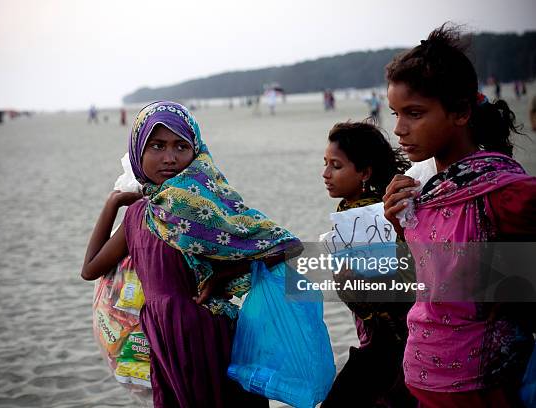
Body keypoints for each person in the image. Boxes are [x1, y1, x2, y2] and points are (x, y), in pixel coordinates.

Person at [81, 101, 301, 407]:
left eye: (181, 146)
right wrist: (112, 204)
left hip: (206, 334)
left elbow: (286, 246)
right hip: (160, 339)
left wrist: (220, 276)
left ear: (196, 151)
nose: (169, 158)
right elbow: (90, 268)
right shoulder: (137, 215)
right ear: (137, 150)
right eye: (156, 146)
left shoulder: (204, 206)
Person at [383, 24, 536, 407]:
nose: (399, 129)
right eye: (395, 114)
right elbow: (425, 282)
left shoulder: (503, 191)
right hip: (425, 377)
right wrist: (397, 225)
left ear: (461, 112)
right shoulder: (423, 190)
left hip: (480, 386)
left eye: (414, 113)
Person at [320, 121, 415, 408]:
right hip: (382, 342)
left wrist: (346, 281)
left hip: (390, 346)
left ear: (364, 172)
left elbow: (383, 296)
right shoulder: (356, 210)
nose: (325, 174)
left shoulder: (371, 217)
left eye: (336, 166)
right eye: (325, 163)